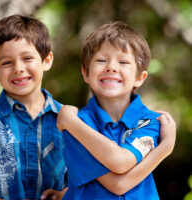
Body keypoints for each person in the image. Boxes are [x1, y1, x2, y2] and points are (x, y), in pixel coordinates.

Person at [57, 22, 176, 199]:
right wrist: (164, 148)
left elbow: (122, 165)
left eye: (123, 61)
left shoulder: (152, 121)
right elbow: (118, 184)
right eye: (101, 60)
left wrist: (166, 147)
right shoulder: (78, 124)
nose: (111, 67)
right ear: (85, 73)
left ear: (139, 77)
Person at [0, 14, 67, 200]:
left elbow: (85, 181)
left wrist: (64, 194)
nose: (18, 68)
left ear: (46, 61)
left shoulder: (68, 120)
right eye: (7, 63)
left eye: (27, 58)